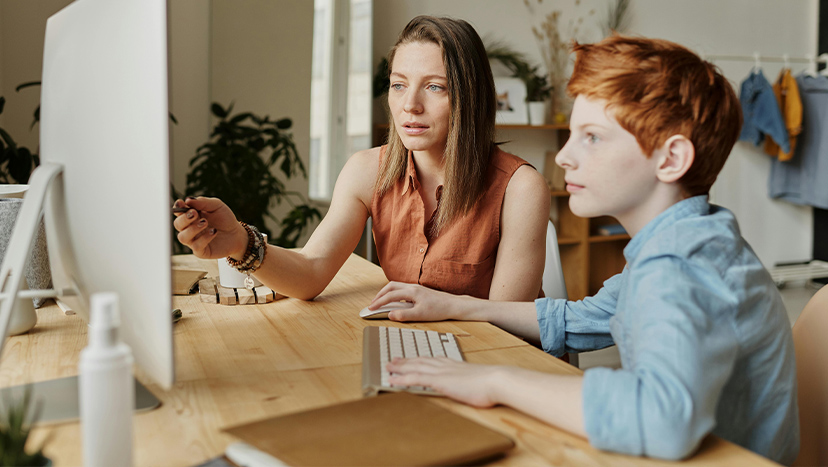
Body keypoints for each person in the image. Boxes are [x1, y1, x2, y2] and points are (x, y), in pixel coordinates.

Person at [370, 35, 799, 464]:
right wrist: (455, 305)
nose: (564, 157)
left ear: (671, 160)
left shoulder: (679, 264)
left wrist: (495, 381)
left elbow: (661, 419)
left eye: (591, 138)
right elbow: (582, 317)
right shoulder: (690, 238)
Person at [173, 16, 549, 301]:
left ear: (471, 98)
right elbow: (311, 272)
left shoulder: (520, 188)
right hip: (418, 350)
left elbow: (506, 326)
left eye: (435, 87)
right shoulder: (367, 170)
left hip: (495, 363)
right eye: (398, 84)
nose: (409, 105)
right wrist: (241, 242)